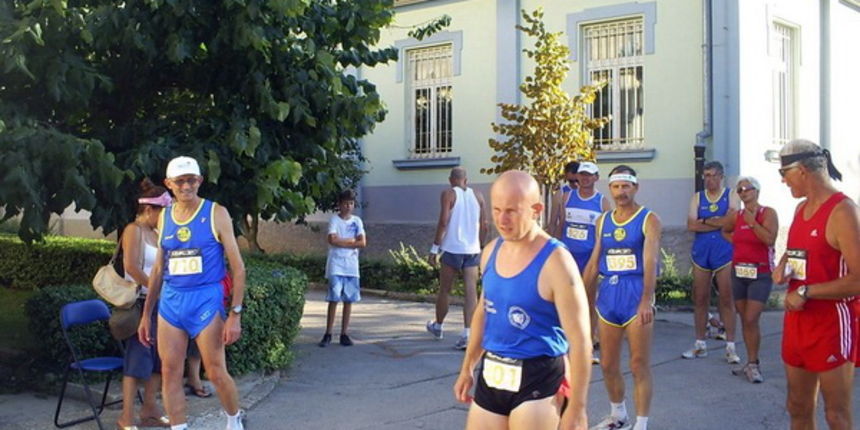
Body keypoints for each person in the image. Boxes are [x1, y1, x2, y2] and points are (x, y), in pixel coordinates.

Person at [453, 170, 591, 430]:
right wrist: (467, 367)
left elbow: (581, 340)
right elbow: (484, 312)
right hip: (493, 370)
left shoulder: (557, 261)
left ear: (536, 210)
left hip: (539, 376)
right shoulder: (490, 252)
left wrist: (578, 407)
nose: (502, 220)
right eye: (496, 210)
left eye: (511, 211)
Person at [138, 156, 246, 430]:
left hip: (206, 300)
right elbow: (159, 268)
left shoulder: (216, 213)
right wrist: (146, 314)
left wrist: (235, 314)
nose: (186, 186)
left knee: (215, 371)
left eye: (192, 180)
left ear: (200, 181)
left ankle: (234, 419)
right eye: (180, 181)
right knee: (170, 372)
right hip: (172, 302)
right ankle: (179, 427)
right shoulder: (164, 216)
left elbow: (238, 268)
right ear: (169, 184)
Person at [772, 139, 859, 430]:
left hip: (831, 323)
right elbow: (798, 252)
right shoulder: (800, 209)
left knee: (836, 415)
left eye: (784, 173)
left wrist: (807, 291)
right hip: (797, 321)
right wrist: (784, 265)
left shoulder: (843, 211)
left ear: (802, 171)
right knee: (797, 406)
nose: (783, 181)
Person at [583, 166, 662, 430]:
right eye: (616, 187)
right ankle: (618, 415)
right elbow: (595, 262)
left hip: (635, 293)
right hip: (609, 296)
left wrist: (646, 299)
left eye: (626, 186)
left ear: (635, 187)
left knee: (638, 363)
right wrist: (578, 296)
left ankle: (641, 423)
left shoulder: (649, 219)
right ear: (610, 189)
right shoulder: (603, 221)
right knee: (607, 363)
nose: (621, 192)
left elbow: (650, 261)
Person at [117, 178, 172, 429]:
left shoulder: (158, 233)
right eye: (163, 213)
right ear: (149, 210)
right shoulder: (134, 230)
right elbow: (130, 266)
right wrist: (154, 285)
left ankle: (150, 408)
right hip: (141, 303)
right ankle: (126, 416)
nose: (166, 218)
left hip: (161, 303)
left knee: (159, 359)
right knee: (137, 359)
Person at [682, 160, 741, 364]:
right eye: (706, 176)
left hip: (724, 251)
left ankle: (731, 346)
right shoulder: (698, 197)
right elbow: (691, 225)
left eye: (714, 175)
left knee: (726, 297)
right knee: (700, 298)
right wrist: (718, 222)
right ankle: (700, 344)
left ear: (721, 177)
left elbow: (732, 221)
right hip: (702, 252)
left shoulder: (731, 195)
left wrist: (705, 220)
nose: (710, 180)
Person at [721, 176, 778, 383]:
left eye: (747, 188)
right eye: (740, 190)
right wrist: (736, 241)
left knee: (752, 318)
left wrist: (752, 223)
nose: (744, 192)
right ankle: (750, 362)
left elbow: (769, 239)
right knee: (745, 318)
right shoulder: (736, 216)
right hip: (739, 272)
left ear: (757, 191)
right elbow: (725, 230)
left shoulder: (767, 213)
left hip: (760, 273)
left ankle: (754, 363)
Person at [426, 167, 487, 349]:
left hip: (452, 248)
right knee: (471, 292)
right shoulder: (478, 195)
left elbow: (443, 221)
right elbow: (484, 224)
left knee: (445, 290)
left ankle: (438, 326)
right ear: (466, 180)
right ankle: (467, 334)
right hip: (472, 249)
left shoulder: (448, 194)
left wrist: (434, 248)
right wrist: (480, 246)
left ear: (451, 180)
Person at [560, 161, 611, 364]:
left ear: (596, 177)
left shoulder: (602, 202)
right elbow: (559, 224)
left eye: (589, 175)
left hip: (589, 258)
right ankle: (564, 344)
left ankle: (587, 346)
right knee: (564, 300)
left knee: (588, 301)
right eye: (582, 174)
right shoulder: (567, 197)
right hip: (567, 257)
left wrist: (598, 259)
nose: (585, 178)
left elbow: (604, 235)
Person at [319, 189, 367, 347]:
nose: (348, 206)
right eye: (345, 203)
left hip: (351, 266)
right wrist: (351, 241)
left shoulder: (357, 221)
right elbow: (332, 240)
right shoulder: (334, 220)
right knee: (334, 298)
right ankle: (328, 333)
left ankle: (344, 333)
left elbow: (362, 242)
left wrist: (344, 241)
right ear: (339, 204)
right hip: (336, 264)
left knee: (349, 300)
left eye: (351, 203)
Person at [549, 161, 580, 239]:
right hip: (565, 238)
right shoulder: (560, 194)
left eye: (577, 180)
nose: (575, 184)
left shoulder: (589, 194)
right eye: (571, 181)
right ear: (566, 177)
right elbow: (553, 222)